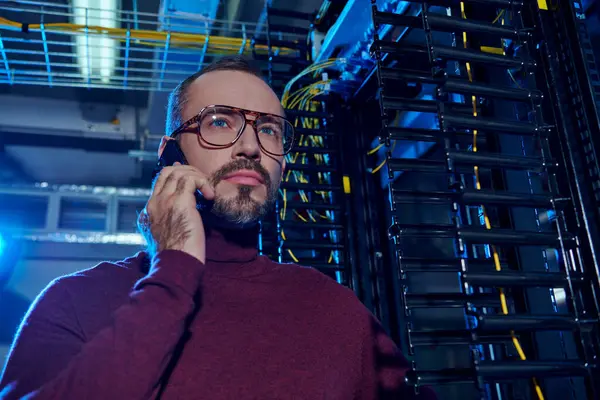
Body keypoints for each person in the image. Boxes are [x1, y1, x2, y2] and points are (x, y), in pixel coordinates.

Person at [0, 56, 436, 399]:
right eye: (220, 122)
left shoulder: (334, 309)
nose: (250, 146)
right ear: (171, 155)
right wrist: (174, 270)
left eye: (269, 129)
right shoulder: (75, 301)